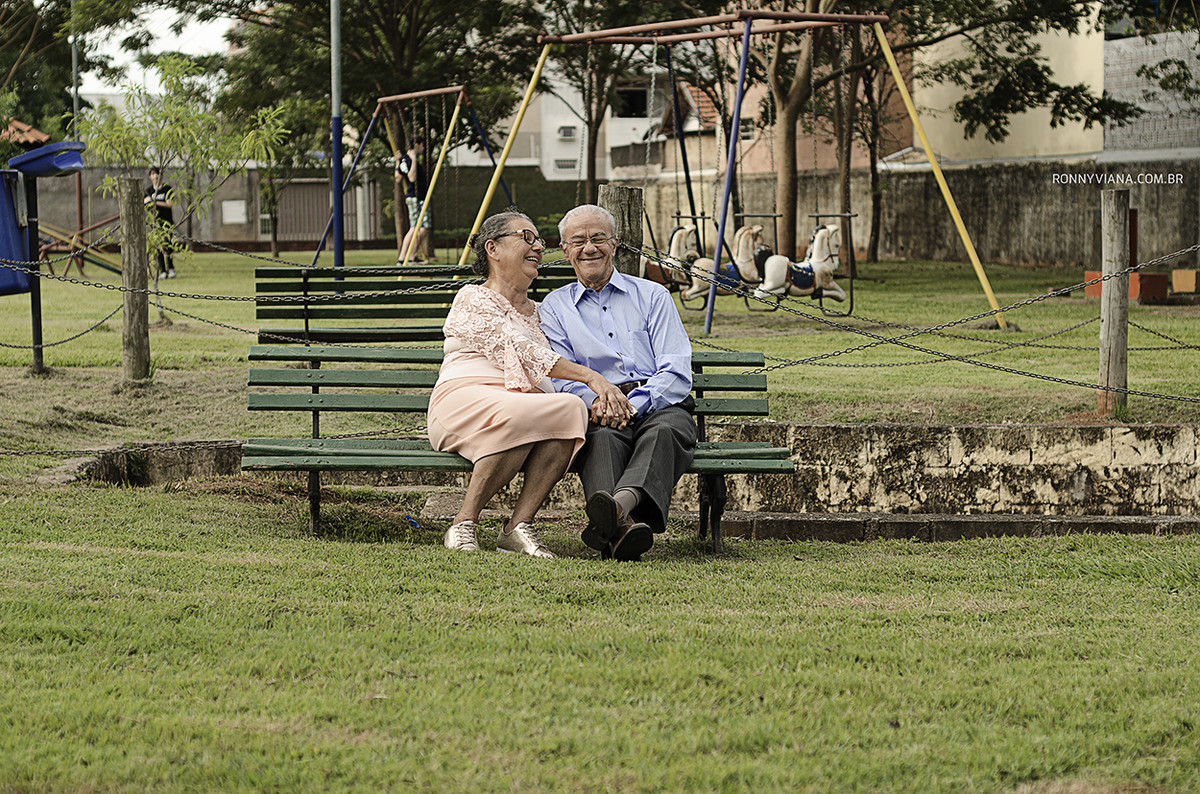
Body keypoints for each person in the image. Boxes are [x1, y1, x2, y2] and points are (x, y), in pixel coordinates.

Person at [427, 209, 634, 558]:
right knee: (527, 410)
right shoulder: (472, 298)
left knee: (569, 409)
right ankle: (464, 521)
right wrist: (592, 378)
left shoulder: (541, 312)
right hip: (464, 401)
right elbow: (519, 350)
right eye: (527, 237)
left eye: (539, 239)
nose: (538, 246)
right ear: (492, 248)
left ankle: (517, 527)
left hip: (522, 406)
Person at [540, 204, 697, 562]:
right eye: (578, 241)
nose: (589, 248)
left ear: (615, 244)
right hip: (598, 407)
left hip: (660, 402)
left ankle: (615, 512)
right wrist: (595, 402)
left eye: (598, 238)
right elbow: (559, 374)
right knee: (604, 439)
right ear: (565, 251)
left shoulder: (653, 295)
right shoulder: (554, 307)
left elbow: (675, 370)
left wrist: (633, 403)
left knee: (664, 433)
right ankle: (622, 531)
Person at [396, 141, 431, 263]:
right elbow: (411, 177)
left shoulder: (404, 160)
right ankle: (409, 257)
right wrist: (414, 159)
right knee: (421, 228)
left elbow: (398, 177)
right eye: (422, 145)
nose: (423, 147)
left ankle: (404, 257)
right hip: (418, 197)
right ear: (416, 145)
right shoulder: (410, 159)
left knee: (416, 228)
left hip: (413, 197)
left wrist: (397, 161)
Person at [143, 168, 176, 278]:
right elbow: (145, 205)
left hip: (167, 222)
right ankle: (162, 270)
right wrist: (148, 203)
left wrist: (155, 202)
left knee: (167, 244)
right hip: (155, 223)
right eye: (152, 174)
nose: (155, 176)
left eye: (156, 173)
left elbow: (169, 204)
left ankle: (171, 268)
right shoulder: (148, 191)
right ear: (150, 177)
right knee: (158, 246)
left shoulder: (167, 189)